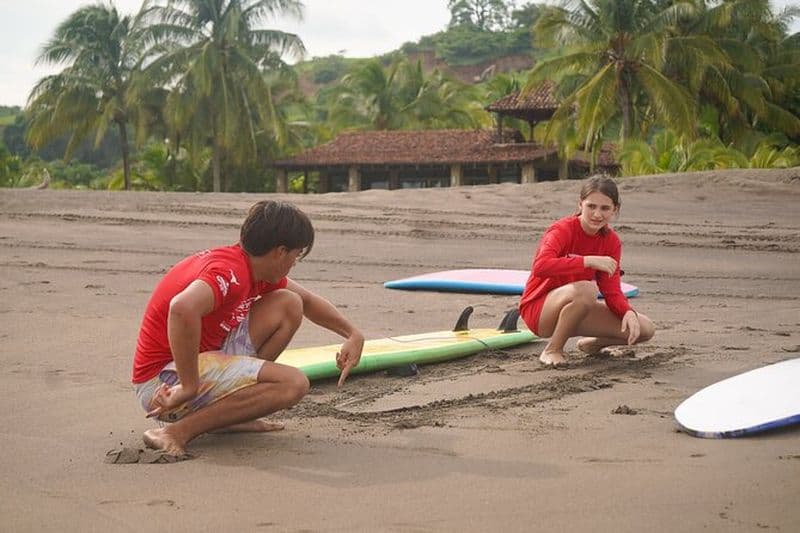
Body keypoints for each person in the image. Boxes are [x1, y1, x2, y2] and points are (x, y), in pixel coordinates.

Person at [132, 200, 365, 455]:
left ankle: (228, 412)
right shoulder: (230, 273)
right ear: (279, 252)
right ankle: (176, 431)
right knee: (293, 384)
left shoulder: (253, 268)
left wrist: (352, 334)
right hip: (162, 383)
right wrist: (188, 386)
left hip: (199, 361)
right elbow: (181, 309)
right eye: (295, 256)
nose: (294, 263)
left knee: (290, 304)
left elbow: (308, 302)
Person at [519, 175, 655, 367]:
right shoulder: (562, 230)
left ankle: (592, 345)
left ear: (615, 210)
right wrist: (587, 261)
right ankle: (552, 349)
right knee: (587, 290)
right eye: (591, 206)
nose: (597, 214)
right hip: (539, 311)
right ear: (580, 204)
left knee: (645, 328)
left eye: (605, 208)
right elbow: (541, 266)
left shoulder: (611, 242)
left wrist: (627, 311)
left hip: (578, 309)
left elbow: (611, 291)